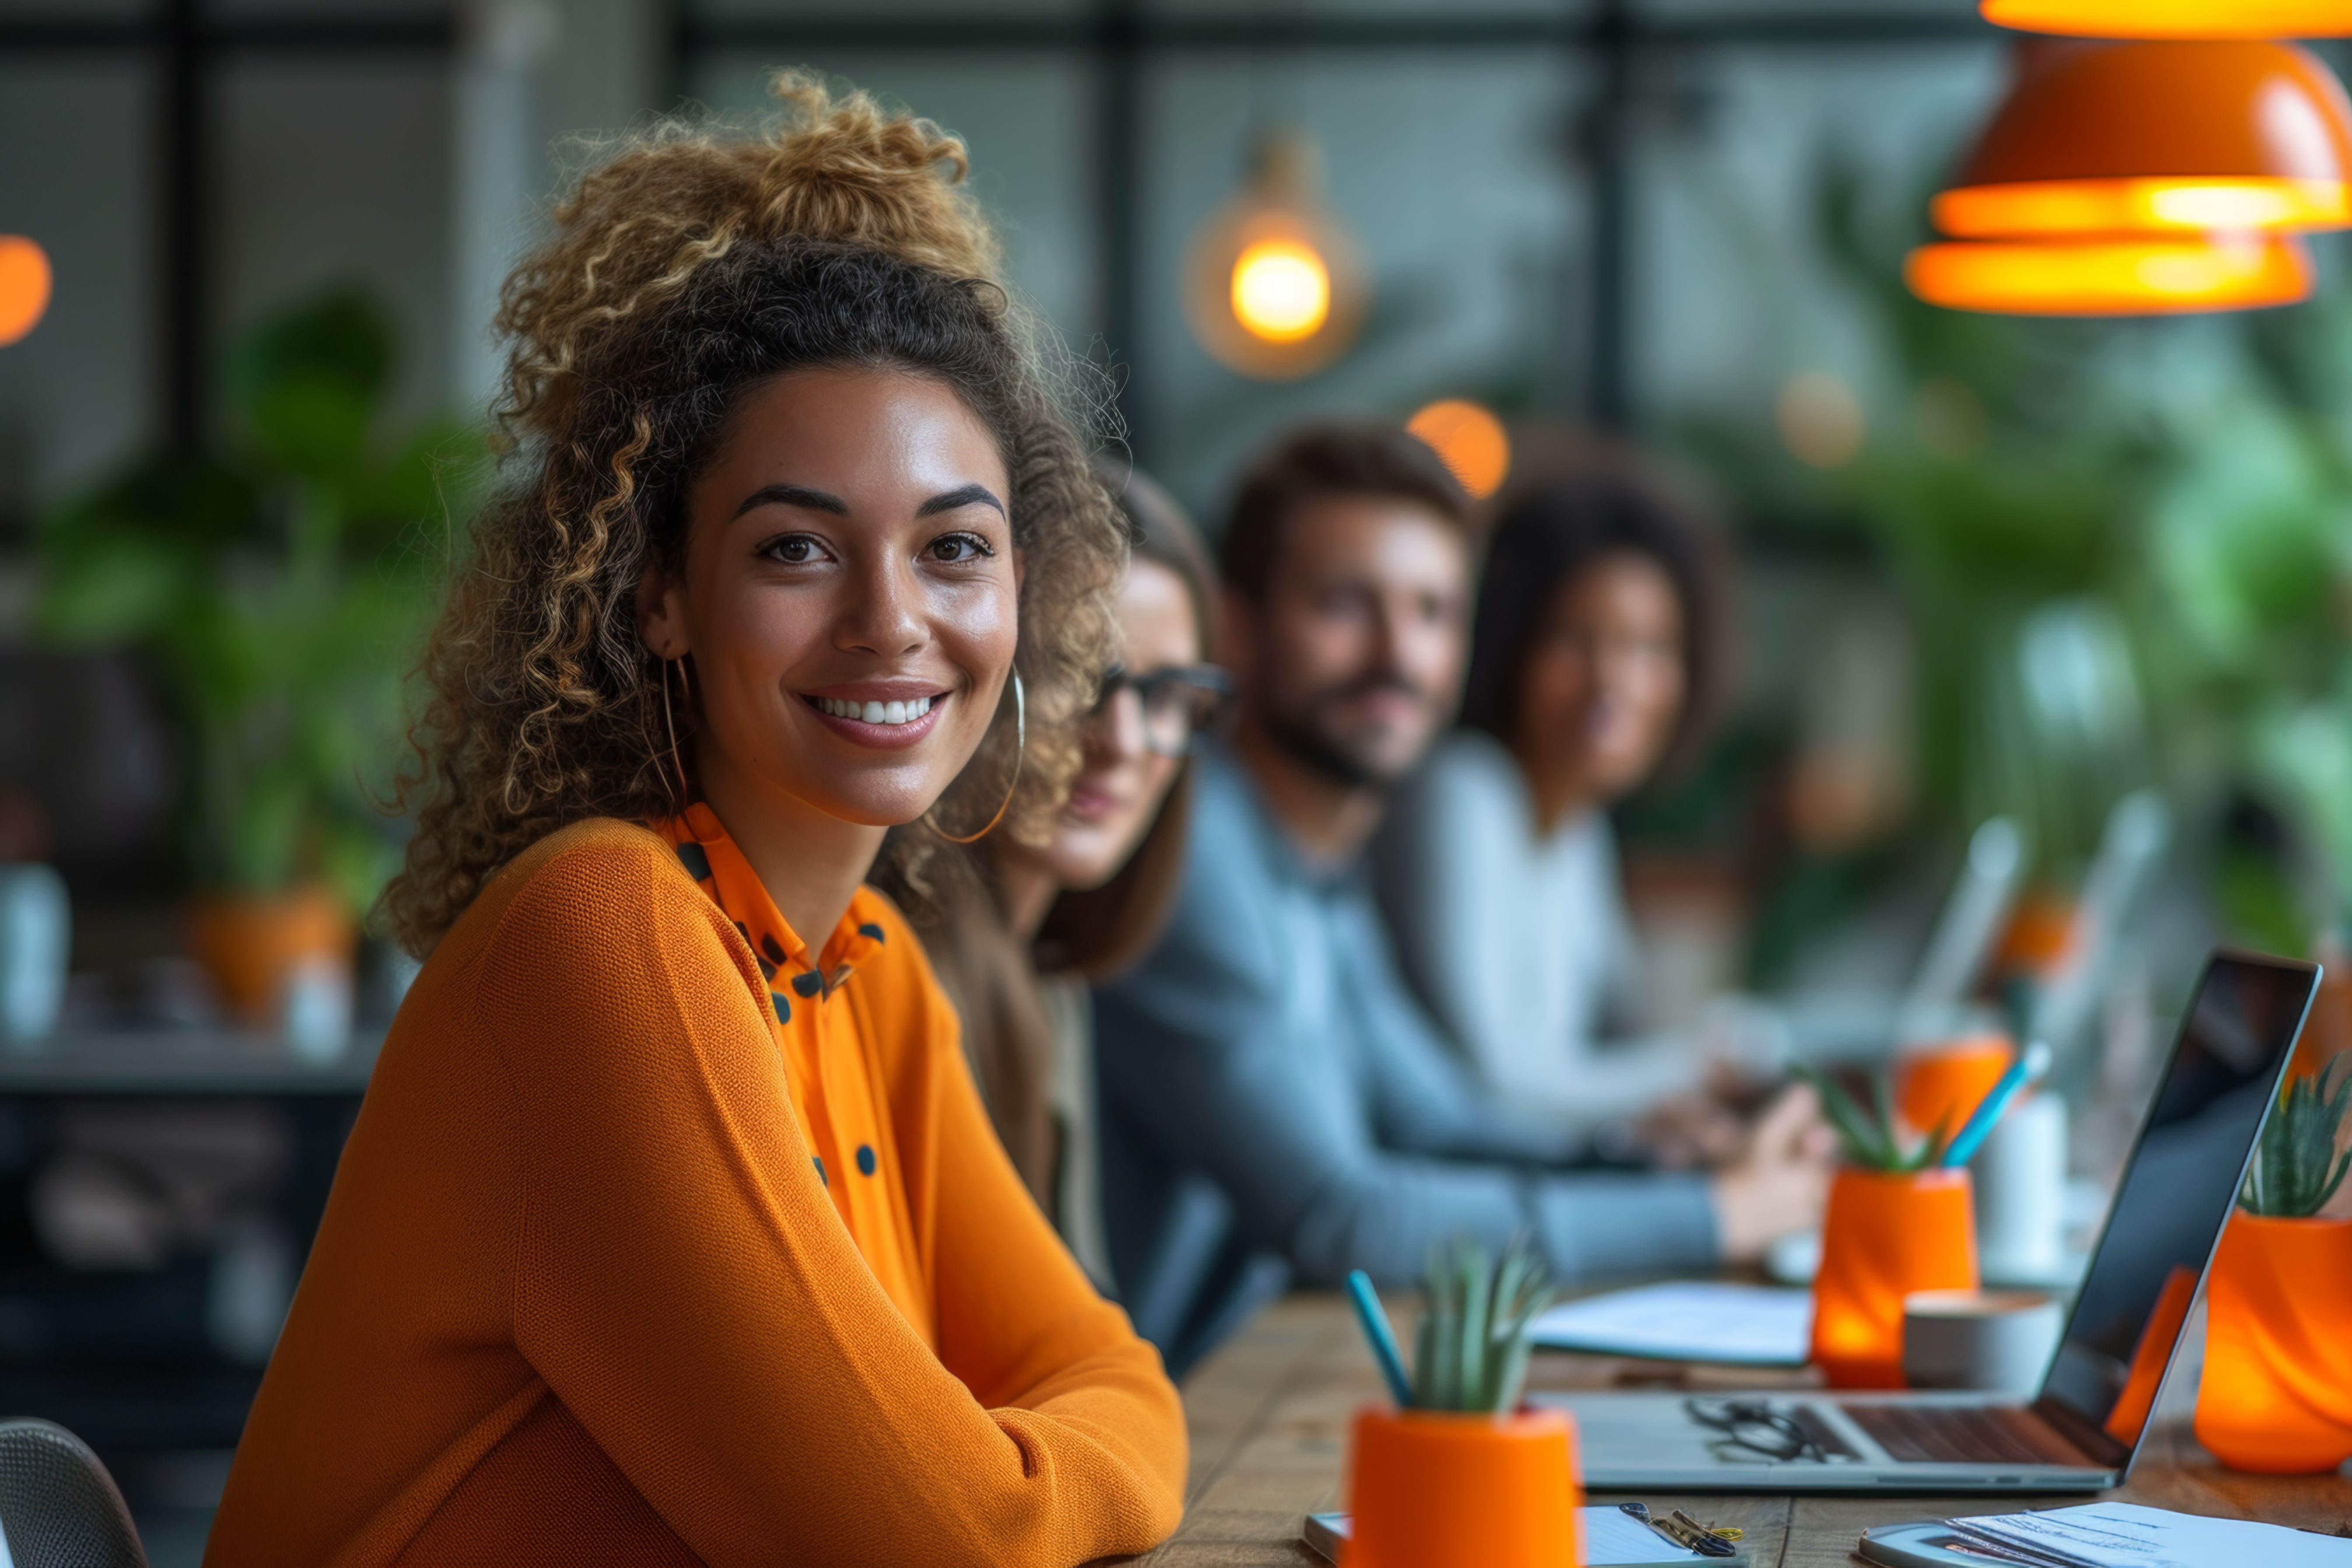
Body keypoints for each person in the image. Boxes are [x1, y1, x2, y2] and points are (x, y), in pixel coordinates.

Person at [205, 79, 1186, 1566]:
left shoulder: (869, 966)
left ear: (1023, 591)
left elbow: (1117, 1384)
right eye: (796, 546)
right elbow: (925, 1536)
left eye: (954, 550)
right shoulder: (603, 931)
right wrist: (1014, 1478)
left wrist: (1014, 1473)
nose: (890, 621)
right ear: (657, 593)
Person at [1092, 422, 1829, 1376]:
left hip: (1237, 1385)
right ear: (1238, 627)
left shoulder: (1315, 865)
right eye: (1345, 604)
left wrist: (1643, 1161)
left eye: (1433, 610)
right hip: (1145, 1435)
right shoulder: (1191, 850)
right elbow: (1341, 1216)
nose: (1399, 654)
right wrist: (1720, 1213)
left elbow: (1438, 1124)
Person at [893, 463, 1225, 1286]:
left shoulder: (1050, 988)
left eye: (1167, 694)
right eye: (1078, 676)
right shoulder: (893, 985)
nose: (1124, 739)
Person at [1373, 459, 1727, 1138]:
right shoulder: (1462, 790)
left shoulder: (1578, 827)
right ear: (1510, 645)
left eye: (1650, 648)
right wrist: (1696, 1067)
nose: (1612, 683)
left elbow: (1617, 1038)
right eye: (1573, 640)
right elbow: (1499, 1085)